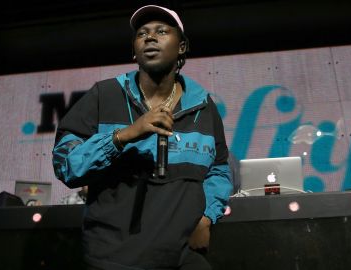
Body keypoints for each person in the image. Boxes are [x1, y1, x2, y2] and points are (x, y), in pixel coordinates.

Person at [52, 5, 232, 270]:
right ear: (133, 50)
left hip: (180, 254)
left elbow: (218, 168)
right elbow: (66, 164)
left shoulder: (203, 106)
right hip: (114, 258)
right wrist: (124, 136)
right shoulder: (105, 95)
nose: (150, 37)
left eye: (161, 31)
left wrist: (206, 217)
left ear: (181, 47)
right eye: (142, 34)